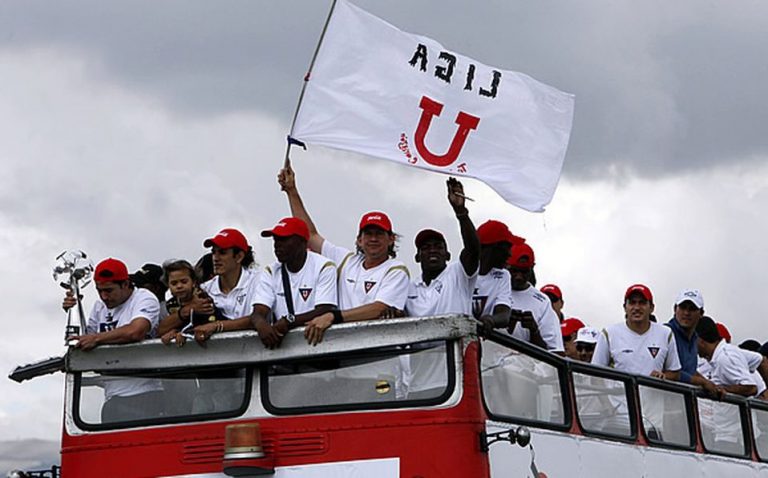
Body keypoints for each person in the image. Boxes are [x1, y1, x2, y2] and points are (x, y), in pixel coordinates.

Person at [278, 165, 409, 345]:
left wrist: (332, 316)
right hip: (344, 352)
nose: (373, 239)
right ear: (359, 240)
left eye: (379, 234)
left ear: (391, 239)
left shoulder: (396, 270)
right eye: (368, 234)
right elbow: (310, 235)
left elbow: (378, 309)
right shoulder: (347, 260)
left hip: (379, 355)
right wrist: (292, 191)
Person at [62, 258, 162, 422]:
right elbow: (85, 341)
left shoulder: (144, 298)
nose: (104, 296)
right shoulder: (99, 306)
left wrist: (97, 338)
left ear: (125, 284)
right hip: (112, 395)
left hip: (144, 393)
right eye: (99, 291)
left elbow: (135, 331)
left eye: (109, 290)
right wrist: (73, 311)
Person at [250, 217, 338, 349]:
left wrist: (289, 321)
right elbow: (259, 311)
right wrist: (261, 324)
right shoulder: (271, 271)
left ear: (303, 242)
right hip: (283, 351)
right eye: (275, 240)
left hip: (319, 346)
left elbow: (324, 309)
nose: (277, 245)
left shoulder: (324, 266)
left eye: (283, 239)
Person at [405, 177, 480, 318]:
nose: (432, 250)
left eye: (438, 247)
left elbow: (473, 249)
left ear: (448, 255)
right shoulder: (409, 287)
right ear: (417, 257)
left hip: (455, 340)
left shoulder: (458, 274)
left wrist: (461, 212)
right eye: (426, 247)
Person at [592, 284, 681, 380]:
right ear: (625, 307)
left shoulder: (666, 333)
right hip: (619, 395)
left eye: (642, 303)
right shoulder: (608, 334)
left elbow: (675, 373)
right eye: (632, 303)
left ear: (651, 308)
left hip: (654, 395)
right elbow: (595, 374)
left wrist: (663, 377)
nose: (637, 307)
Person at [697, 316, 757, 451]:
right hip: (725, 433)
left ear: (700, 341)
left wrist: (721, 389)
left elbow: (751, 387)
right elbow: (758, 360)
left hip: (734, 438)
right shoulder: (720, 355)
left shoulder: (725, 358)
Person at [506, 243, 564, 354]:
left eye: (524, 271)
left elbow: (557, 352)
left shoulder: (542, 302)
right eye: (514, 270)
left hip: (525, 368)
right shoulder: (495, 289)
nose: (518, 277)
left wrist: (533, 330)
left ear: (532, 268)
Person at [665, 289, 720, 396]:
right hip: (663, 402)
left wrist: (712, 385)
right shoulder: (666, 333)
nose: (686, 313)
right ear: (675, 309)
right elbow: (670, 373)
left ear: (701, 313)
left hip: (681, 402)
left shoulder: (694, 338)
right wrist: (703, 382)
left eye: (692, 309)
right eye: (683, 307)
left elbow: (689, 371)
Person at [158, 259, 226, 346]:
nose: (179, 286)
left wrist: (184, 332)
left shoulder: (203, 299)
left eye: (184, 282)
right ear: (168, 286)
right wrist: (173, 331)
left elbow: (207, 324)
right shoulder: (171, 304)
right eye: (174, 283)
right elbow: (163, 329)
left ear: (193, 282)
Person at [472, 220, 516, 334]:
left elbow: (504, 315)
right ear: (495, 247)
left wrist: (491, 320)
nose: (510, 254)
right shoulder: (458, 272)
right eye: (508, 247)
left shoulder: (503, 275)